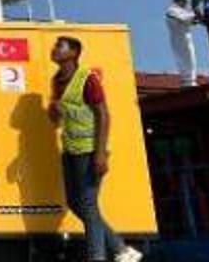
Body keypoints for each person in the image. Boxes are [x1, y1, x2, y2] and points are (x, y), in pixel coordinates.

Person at [48, 36, 142, 262]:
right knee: (75, 202)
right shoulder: (57, 80)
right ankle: (121, 249)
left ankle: (98, 256)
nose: (54, 49)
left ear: (73, 53)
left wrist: (100, 153)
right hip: (70, 150)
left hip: (90, 151)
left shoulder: (87, 79)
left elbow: (103, 114)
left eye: (59, 46)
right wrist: (53, 111)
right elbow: (58, 119)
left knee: (88, 205)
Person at [165, 0, 198, 87]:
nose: (185, 4)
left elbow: (191, 21)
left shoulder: (181, 11)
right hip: (179, 38)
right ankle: (188, 80)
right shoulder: (172, 10)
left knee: (189, 58)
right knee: (185, 59)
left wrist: (196, 18)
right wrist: (194, 14)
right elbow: (183, 18)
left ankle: (189, 80)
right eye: (184, 2)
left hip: (184, 37)